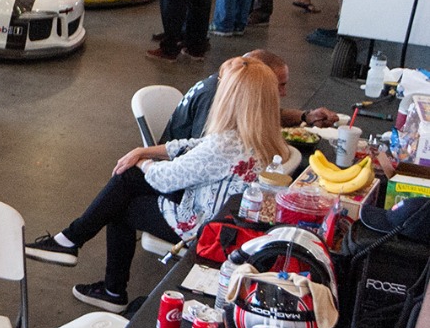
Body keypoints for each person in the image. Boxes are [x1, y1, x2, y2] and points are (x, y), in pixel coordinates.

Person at [27, 57, 293, 312]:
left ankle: (101, 276)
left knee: (120, 202)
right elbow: (196, 147)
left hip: (202, 229)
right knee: (126, 184)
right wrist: (147, 152)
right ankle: (75, 246)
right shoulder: (265, 140)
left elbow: (166, 179)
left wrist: (141, 161)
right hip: (229, 225)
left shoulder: (224, 145)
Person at [160, 48, 340, 141]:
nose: (283, 93)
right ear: (258, 80)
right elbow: (206, 148)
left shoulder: (236, 85)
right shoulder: (214, 98)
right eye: (278, 86)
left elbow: (265, 114)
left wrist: (306, 116)